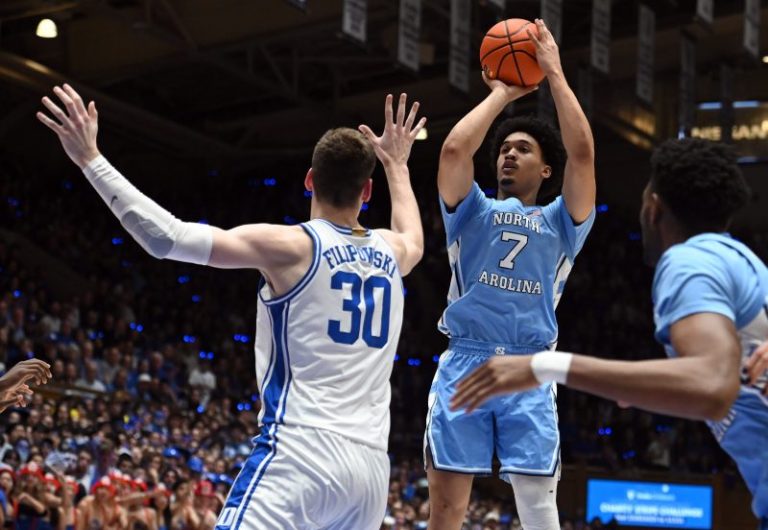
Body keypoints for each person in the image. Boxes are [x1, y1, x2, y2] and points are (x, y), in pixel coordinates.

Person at [38, 84, 426, 529]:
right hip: (371, 471)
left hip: (303, 451)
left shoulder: (293, 246)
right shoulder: (393, 250)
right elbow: (414, 237)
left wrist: (90, 159)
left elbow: (166, 238)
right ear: (368, 191)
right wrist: (397, 163)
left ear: (309, 180)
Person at [451, 138, 768, 528]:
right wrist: (638, 385)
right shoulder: (742, 261)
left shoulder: (689, 261)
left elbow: (711, 386)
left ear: (653, 207)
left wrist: (546, 365)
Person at [425, 19, 595, 530]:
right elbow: (454, 151)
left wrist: (554, 73)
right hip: (466, 359)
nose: (508, 154)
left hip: (529, 365)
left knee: (538, 508)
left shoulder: (562, 221)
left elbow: (583, 154)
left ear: (546, 170)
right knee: (447, 509)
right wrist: (502, 92)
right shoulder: (471, 211)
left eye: (523, 149)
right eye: (504, 148)